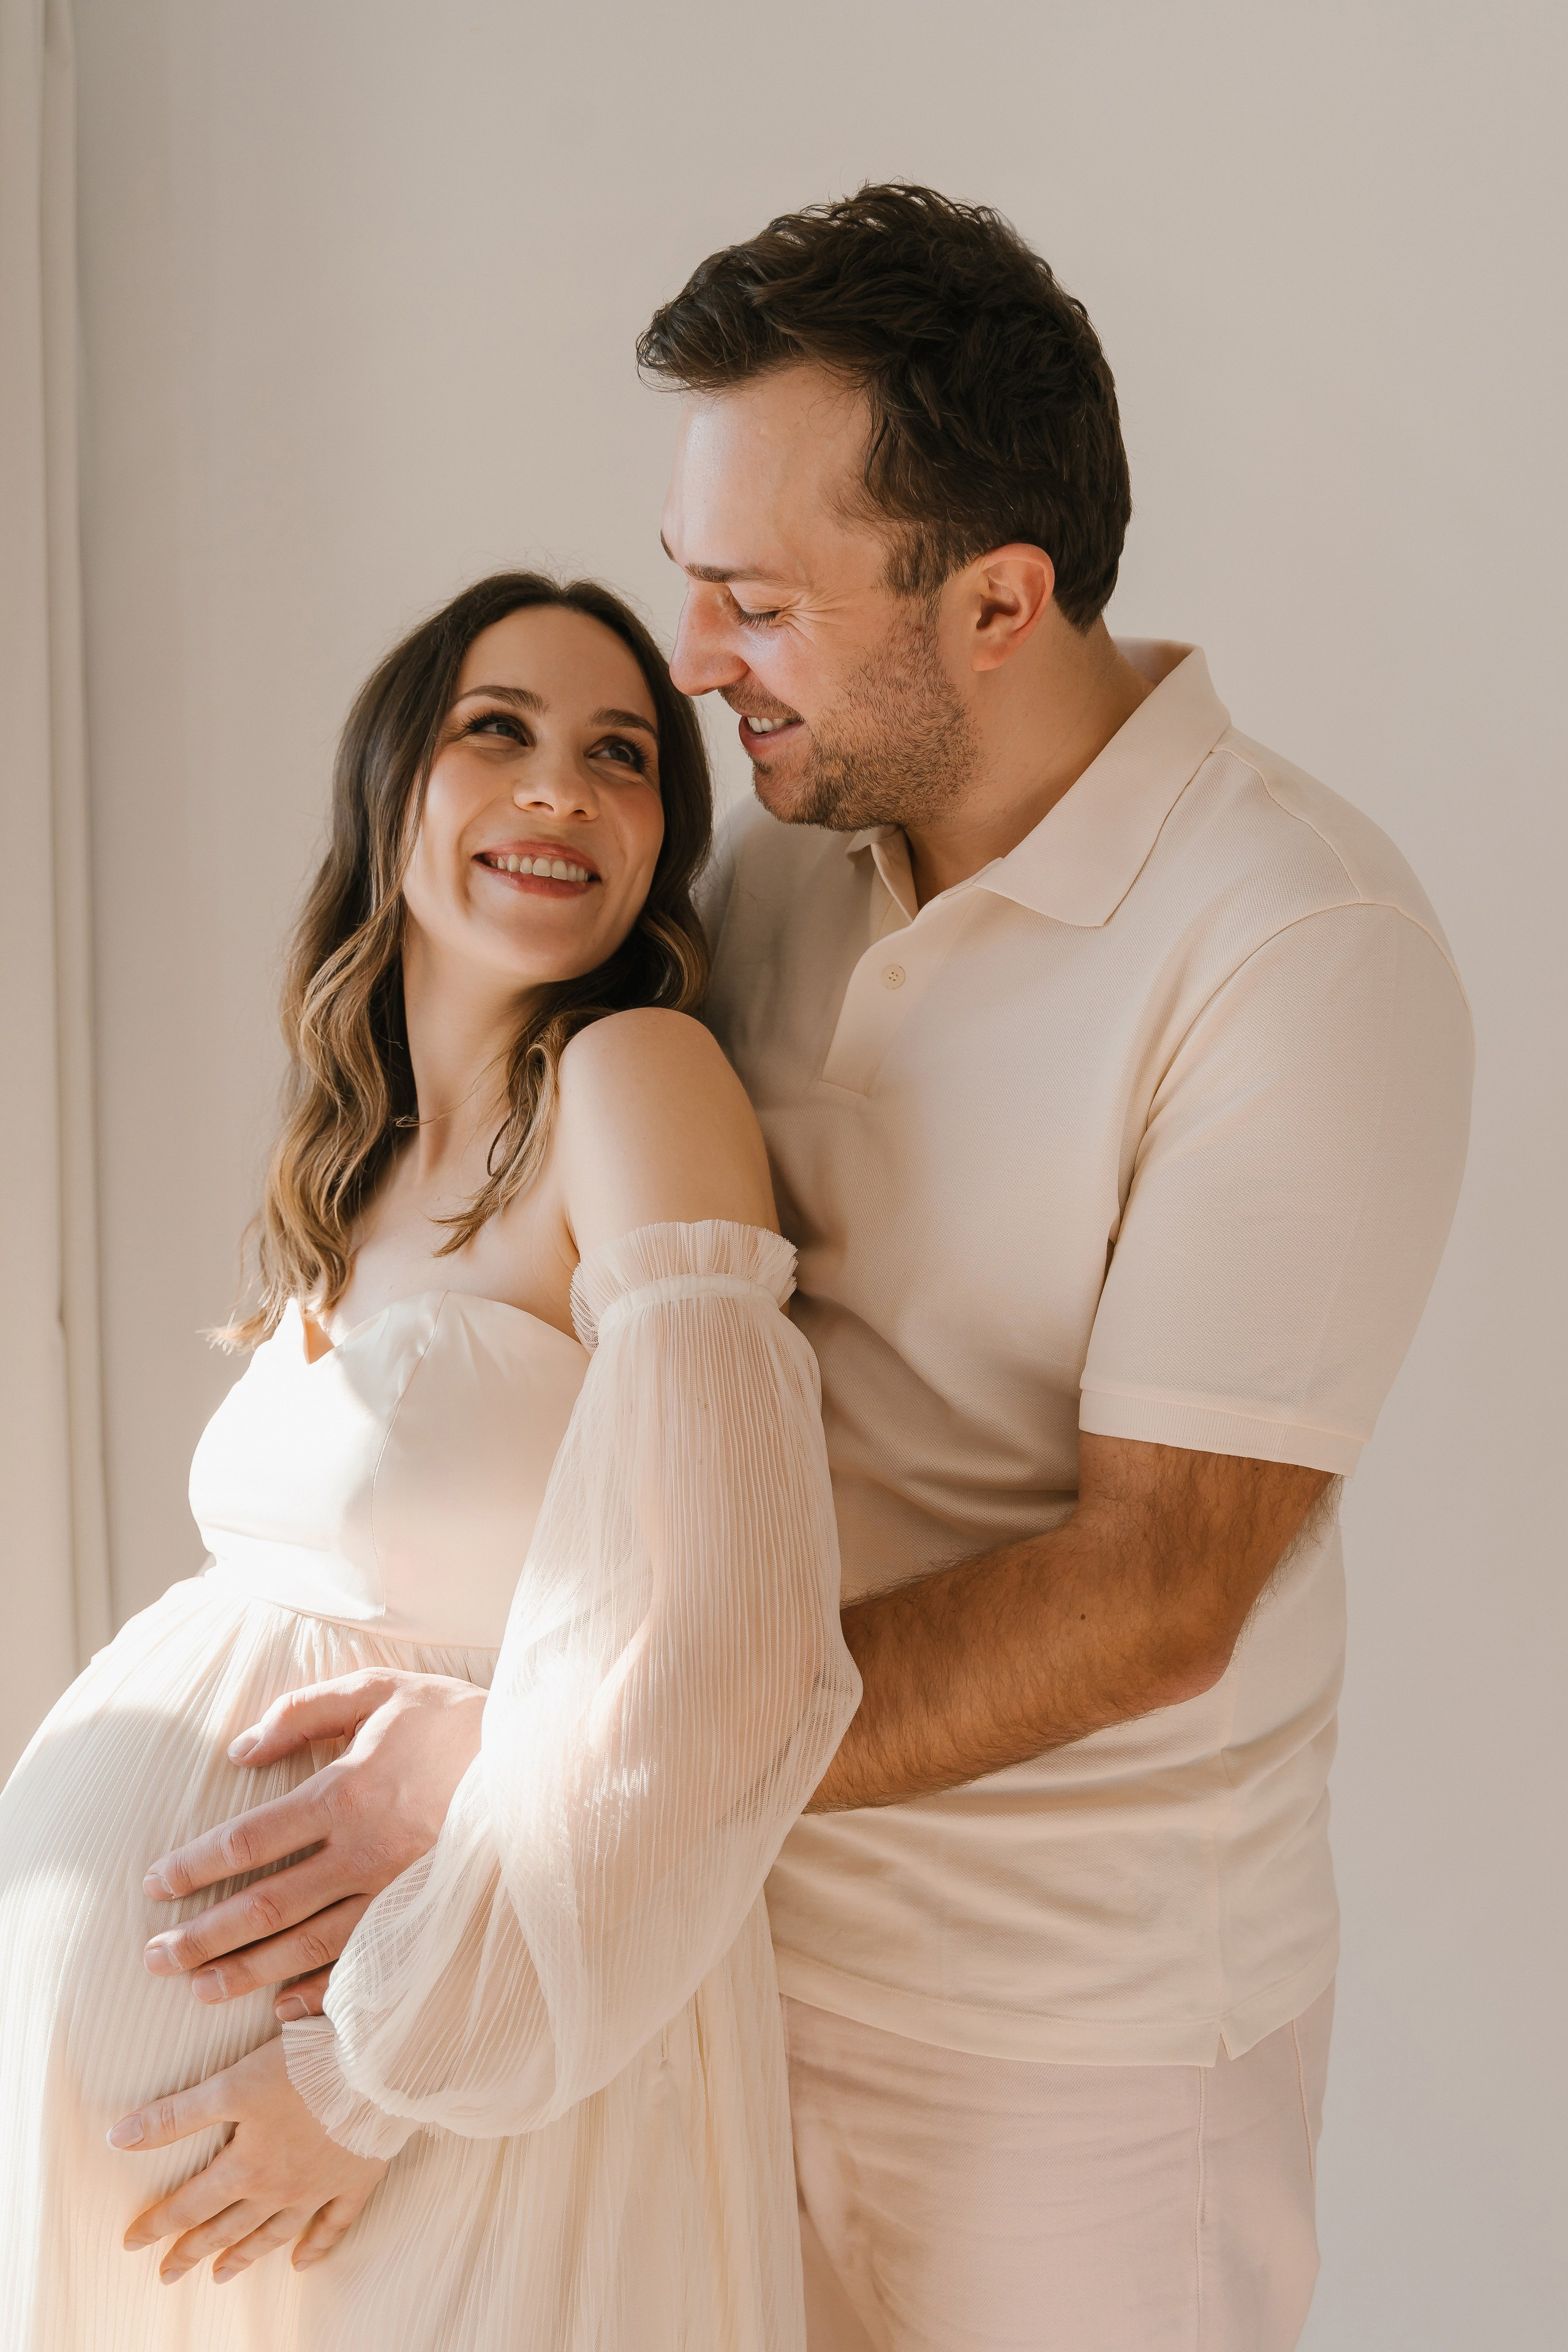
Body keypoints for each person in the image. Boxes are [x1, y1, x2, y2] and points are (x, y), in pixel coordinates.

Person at [123, 186, 1474, 2350]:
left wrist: (544, 1761)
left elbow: (1156, 1598)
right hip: (685, 1979)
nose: (688, 664)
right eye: (688, 581)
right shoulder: (765, 870)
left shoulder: (1297, 954)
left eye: (753, 600)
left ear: (1001, 603)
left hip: (1069, 2060)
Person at [0, 569, 860, 2351]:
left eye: (623, 756)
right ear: (393, 789)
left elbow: (729, 1643)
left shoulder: (634, 1080)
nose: (562, 789)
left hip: (455, 2084)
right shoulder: (354, 1170)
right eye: (500, 732)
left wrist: (366, 2075)